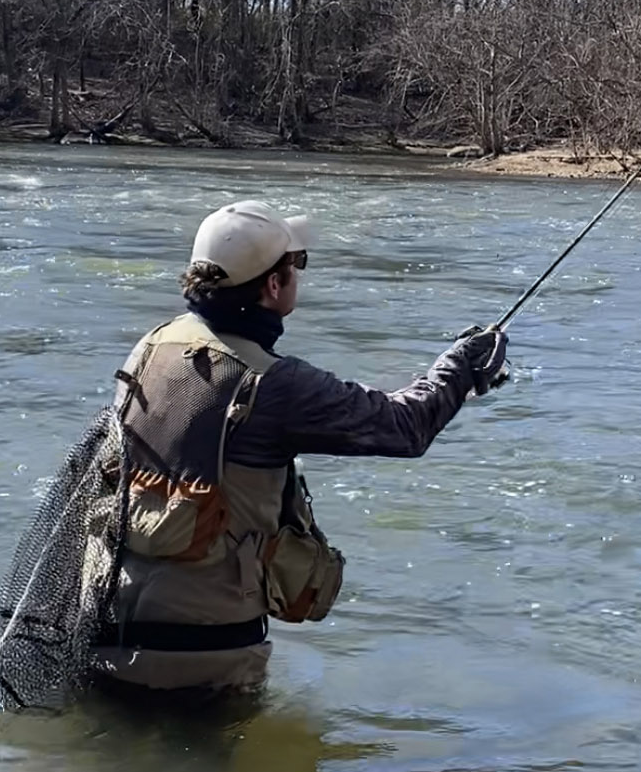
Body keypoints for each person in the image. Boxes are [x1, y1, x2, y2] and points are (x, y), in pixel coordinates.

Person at [87, 197, 508, 701]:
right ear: (272, 285)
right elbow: (405, 427)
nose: (298, 275)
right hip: (207, 653)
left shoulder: (151, 345)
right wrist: (459, 366)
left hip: (104, 622)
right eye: (296, 264)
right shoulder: (277, 385)